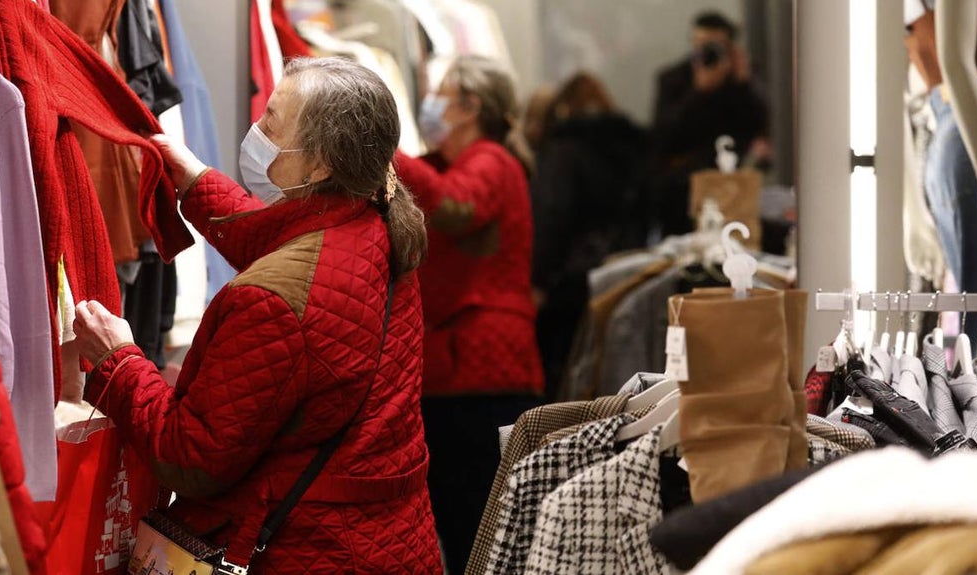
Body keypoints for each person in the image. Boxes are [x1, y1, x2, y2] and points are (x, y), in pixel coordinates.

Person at [72, 58, 443, 574]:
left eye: (272, 122)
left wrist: (118, 360)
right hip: (390, 539)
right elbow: (281, 239)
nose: (257, 131)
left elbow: (190, 455)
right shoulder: (376, 222)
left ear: (318, 167)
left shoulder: (272, 302)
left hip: (308, 552)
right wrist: (193, 179)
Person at [393, 54, 544, 574]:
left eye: (441, 93)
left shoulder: (491, 161)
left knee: (476, 527)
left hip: (479, 374)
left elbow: (456, 208)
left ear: (470, 106)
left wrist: (382, 149)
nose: (430, 103)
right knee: (469, 526)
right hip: (465, 370)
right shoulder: (467, 162)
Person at [531, 71, 651, 401]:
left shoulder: (563, 151)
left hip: (570, 283)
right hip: (626, 274)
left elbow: (553, 216)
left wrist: (539, 280)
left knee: (568, 376)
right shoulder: (632, 150)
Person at [651, 11, 770, 237]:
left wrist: (743, 84)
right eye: (701, 45)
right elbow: (664, 136)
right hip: (682, 189)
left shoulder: (741, 79)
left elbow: (761, 124)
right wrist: (698, 92)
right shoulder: (674, 78)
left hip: (733, 185)